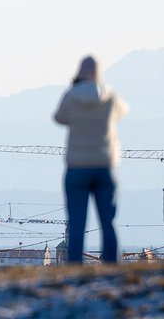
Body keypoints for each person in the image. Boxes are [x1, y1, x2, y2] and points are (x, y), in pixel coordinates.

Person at [53, 55, 128, 264]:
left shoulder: (70, 96)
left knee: (77, 221)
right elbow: (123, 111)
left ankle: (75, 264)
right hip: (105, 164)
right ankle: (112, 263)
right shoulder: (110, 96)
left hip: (77, 165)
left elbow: (59, 117)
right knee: (108, 220)